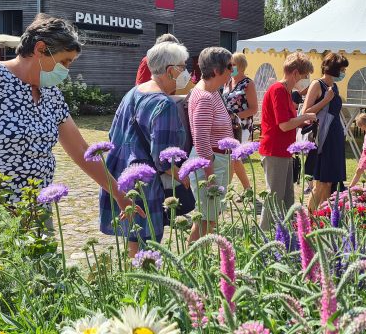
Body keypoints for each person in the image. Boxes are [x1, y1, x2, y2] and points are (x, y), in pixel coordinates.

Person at [0, 14, 135, 227]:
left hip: (37, 210)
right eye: (64, 61)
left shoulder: (50, 92)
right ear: (40, 49)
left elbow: (81, 150)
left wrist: (119, 193)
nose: (66, 70)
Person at [99, 41, 192, 254]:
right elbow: (164, 158)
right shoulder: (164, 104)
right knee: (148, 243)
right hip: (145, 184)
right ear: (171, 70)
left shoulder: (133, 92)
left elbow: (113, 134)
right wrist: (183, 176)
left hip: (122, 175)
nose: (186, 72)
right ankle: (144, 284)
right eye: (184, 66)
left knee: (134, 238)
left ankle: (133, 282)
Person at [259, 52, 315, 229]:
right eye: (305, 76)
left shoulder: (286, 92)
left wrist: (301, 122)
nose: (306, 80)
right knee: (275, 197)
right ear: (296, 73)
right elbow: (283, 125)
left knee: (287, 197)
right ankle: (265, 234)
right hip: (275, 150)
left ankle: (285, 234)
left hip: (285, 151)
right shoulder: (278, 90)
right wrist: (304, 116)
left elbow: (286, 124)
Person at [186, 47, 234, 242]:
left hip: (218, 160)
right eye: (230, 67)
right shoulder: (205, 97)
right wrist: (211, 177)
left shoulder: (212, 92)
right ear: (216, 70)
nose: (233, 70)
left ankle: (199, 261)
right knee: (206, 219)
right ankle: (192, 262)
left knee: (210, 218)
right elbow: (201, 139)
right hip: (210, 163)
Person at [303, 52, 348, 210]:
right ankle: (309, 217)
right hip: (323, 137)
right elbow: (306, 112)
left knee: (330, 182)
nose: (344, 73)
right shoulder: (317, 84)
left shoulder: (333, 86)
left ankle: (323, 215)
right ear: (334, 68)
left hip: (335, 136)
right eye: (342, 69)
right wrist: (325, 100)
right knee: (321, 182)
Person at [224, 52, 257, 190]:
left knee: (233, 158)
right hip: (227, 125)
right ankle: (247, 188)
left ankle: (226, 188)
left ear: (241, 66)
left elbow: (254, 109)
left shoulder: (247, 83)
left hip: (241, 126)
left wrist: (235, 116)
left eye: (233, 65)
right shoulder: (227, 81)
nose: (230, 67)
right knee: (234, 158)